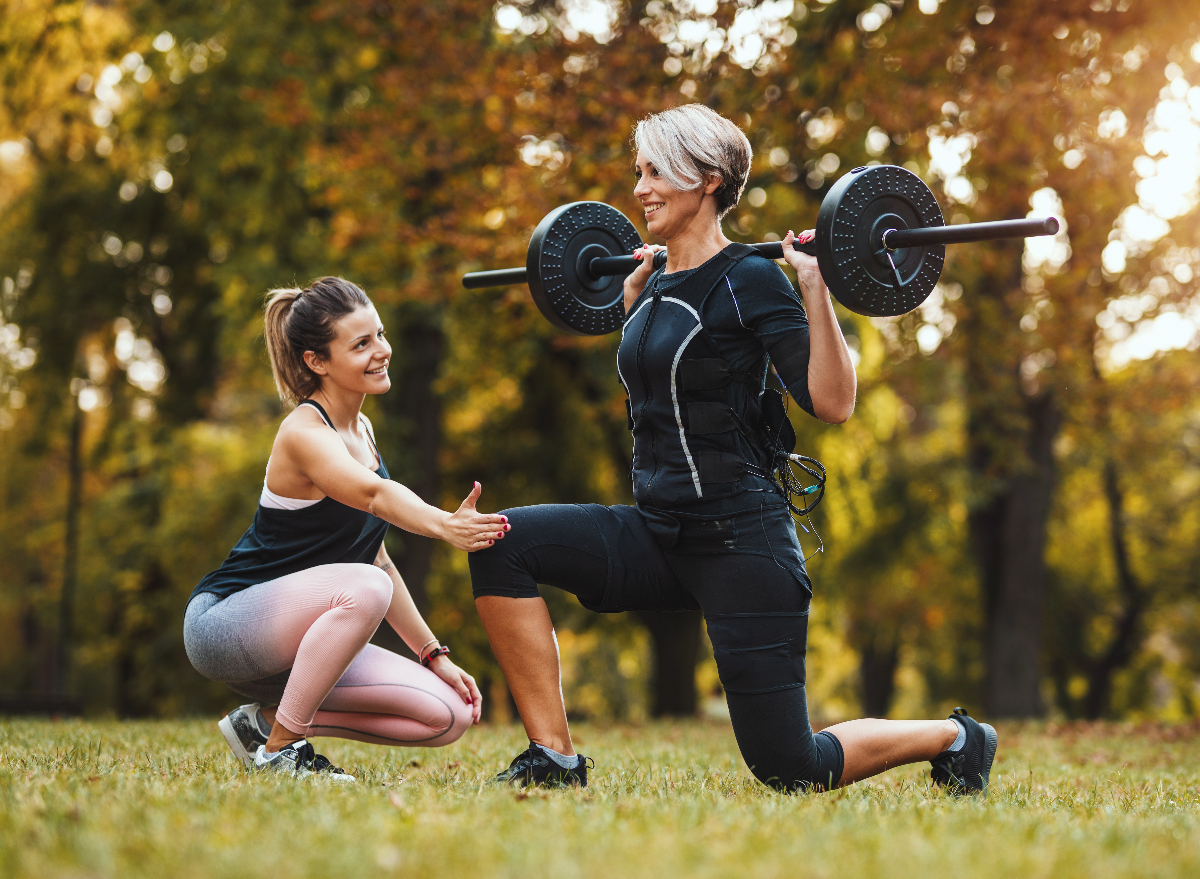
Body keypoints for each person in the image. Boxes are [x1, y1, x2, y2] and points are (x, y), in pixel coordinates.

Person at [469, 105, 997, 793]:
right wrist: (633, 310)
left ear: (709, 179)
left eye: (657, 171)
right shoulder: (649, 283)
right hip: (659, 531)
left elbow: (832, 403)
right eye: (640, 171)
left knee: (791, 768)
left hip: (739, 542)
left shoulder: (749, 278)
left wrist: (816, 290)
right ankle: (556, 758)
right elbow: (667, 394)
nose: (641, 189)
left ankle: (957, 738)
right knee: (501, 541)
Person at [184, 277, 508, 780]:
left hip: (307, 640)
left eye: (379, 334)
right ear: (317, 361)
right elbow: (375, 497)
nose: (382, 351)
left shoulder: (363, 429)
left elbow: (376, 557)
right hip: (227, 624)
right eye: (361, 344)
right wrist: (446, 524)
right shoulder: (304, 433)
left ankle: (264, 726)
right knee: (366, 587)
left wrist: (432, 654)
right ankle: (283, 752)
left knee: (449, 716)